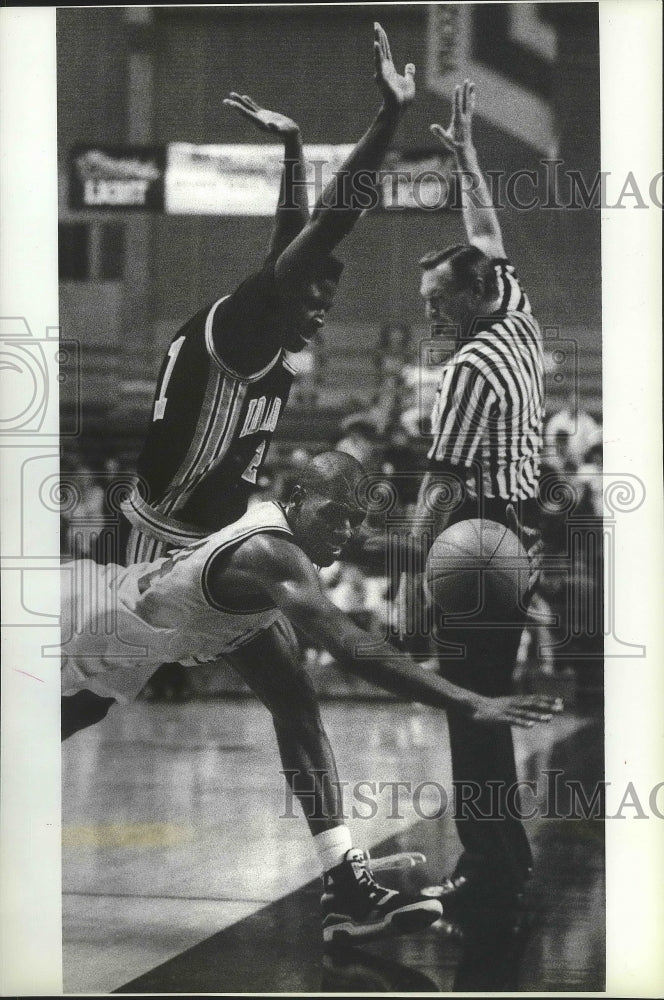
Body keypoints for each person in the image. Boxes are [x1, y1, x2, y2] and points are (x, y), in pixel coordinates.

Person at [62, 23, 417, 738]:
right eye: (311, 297)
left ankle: (339, 854)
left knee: (292, 694)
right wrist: (388, 117)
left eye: (328, 302)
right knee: (89, 698)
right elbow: (329, 222)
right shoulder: (246, 325)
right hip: (152, 547)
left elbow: (288, 244)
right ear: (282, 295)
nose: (320, 312)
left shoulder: (268, 328)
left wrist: (290, 148)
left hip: (212, 548)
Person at [61, 451, 561, 943]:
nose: (343, 533)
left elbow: (375, 545)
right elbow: (350, 646)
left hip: (152, 638)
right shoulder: (269, 554)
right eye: (334, 517)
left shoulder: (301, 535)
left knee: (298, 712)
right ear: (297, 500)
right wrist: (469, 700)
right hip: (75, 622)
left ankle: (344, 886)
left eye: (354, 520)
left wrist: (501, 551)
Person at [401, 80, 547, 911]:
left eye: (434, 304)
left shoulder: (470, 366)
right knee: (484, 705)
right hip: (515, 539)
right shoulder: (515, 314)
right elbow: (485, 234)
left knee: (470, 711)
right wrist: (466, 158)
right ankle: (506, 857)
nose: (429, 318)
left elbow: (442, 482)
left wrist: (409, 579)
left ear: (467, 296)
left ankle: (488, 869)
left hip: (478, 534)